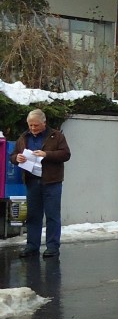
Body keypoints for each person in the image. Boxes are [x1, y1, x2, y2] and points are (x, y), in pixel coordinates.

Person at [10, 108, 71, 258]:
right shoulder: (24, 137)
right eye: (30, 125)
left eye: (35, 125)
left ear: (44, 123)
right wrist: (17, 158)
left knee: (52, 215)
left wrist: (46, 154)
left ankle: (52, 247)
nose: (32, 128)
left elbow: (66, 154)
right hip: (32, 181)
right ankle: (32, 246)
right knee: (33, 216)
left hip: (52, 181)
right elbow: (12, 156)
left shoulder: (56, 136)